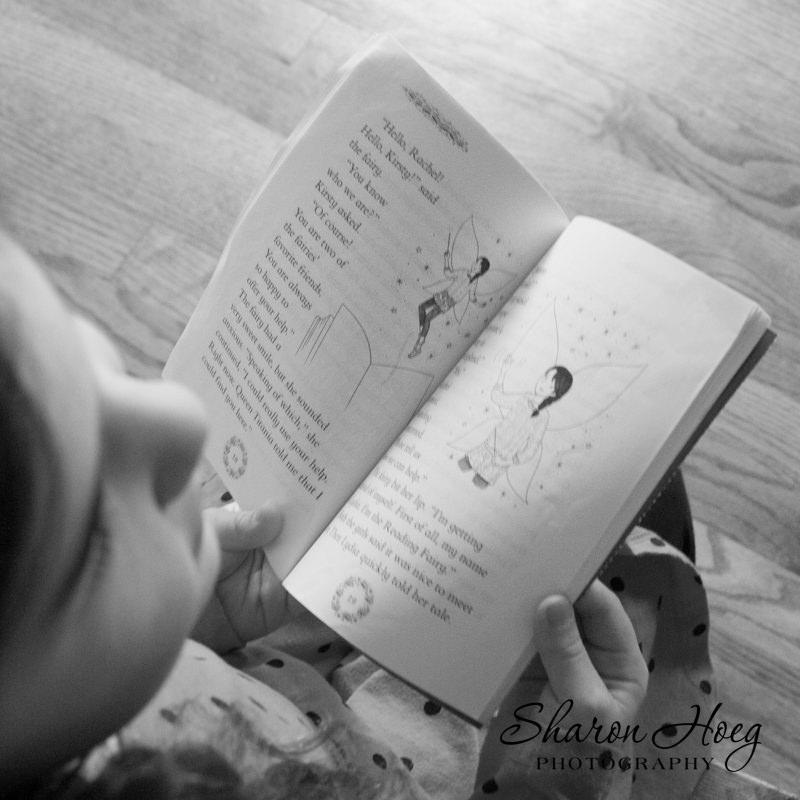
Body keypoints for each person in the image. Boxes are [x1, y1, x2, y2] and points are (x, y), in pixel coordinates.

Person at [0, 231, 713, 799]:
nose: (180, 416)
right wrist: (562, 772)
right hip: (386, 765)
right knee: (631, 532)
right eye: (94, 532)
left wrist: (186, 630)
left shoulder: (55, 703)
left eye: (76, 345)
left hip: (247, 665)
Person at [408, 251, 490, 359]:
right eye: (476, 261)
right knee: (421, 307)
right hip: (443, 295)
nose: (474, 263)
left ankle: (418, 347)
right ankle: (421, 330)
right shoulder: (463, 272)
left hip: (449, 302)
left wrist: (480, 304)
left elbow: (472, 298)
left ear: (480, 269)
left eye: (477, 263)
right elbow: (448, 274)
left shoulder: (474, 283)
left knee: (428, 318)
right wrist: (446, 259)